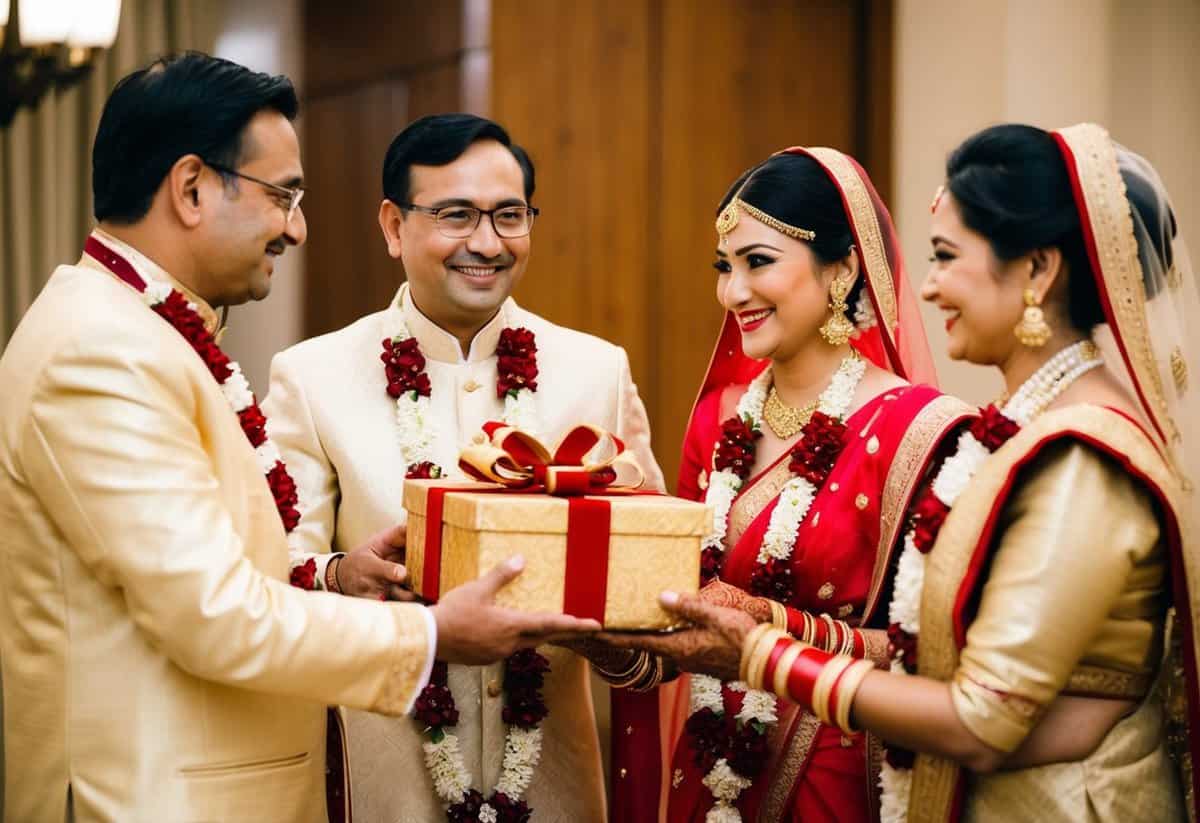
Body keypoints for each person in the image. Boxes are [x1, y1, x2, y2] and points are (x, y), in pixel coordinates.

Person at [0, 54, 599, 823]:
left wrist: (338, 575)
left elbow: (192, 569)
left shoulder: (142, 333)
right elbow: (213, 614)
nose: (297, 226)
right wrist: (429, 632)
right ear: (190, 188)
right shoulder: (101, 351)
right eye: (282, 194)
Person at [619, 123, 1200, 822]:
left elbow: (980, 712)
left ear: (1039, 271)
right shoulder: (1030, 435)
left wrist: (761, 648)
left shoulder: (1078, 458)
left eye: (948, 256)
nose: (925, 287)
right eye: (724, 264)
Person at [261, 113, 666, 822]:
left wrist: (607, 628)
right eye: (455, 215)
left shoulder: (596, 371)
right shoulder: (313, 376)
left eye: (509, 215)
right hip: (385, 780)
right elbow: (270, 572)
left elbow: (651, 579)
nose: (486, 242)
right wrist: (339, 572)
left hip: (555, 784)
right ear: (394, 225)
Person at [606, 146, 972, 823]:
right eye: (725, 267)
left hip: (835, 775)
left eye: (758, 262)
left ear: (842, 268)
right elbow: (685, 609)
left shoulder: (920, 431)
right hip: (712, 764)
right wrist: (605, 639)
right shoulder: (718, 422)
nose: (732, 292)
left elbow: (932, 658)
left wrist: (764, 628)